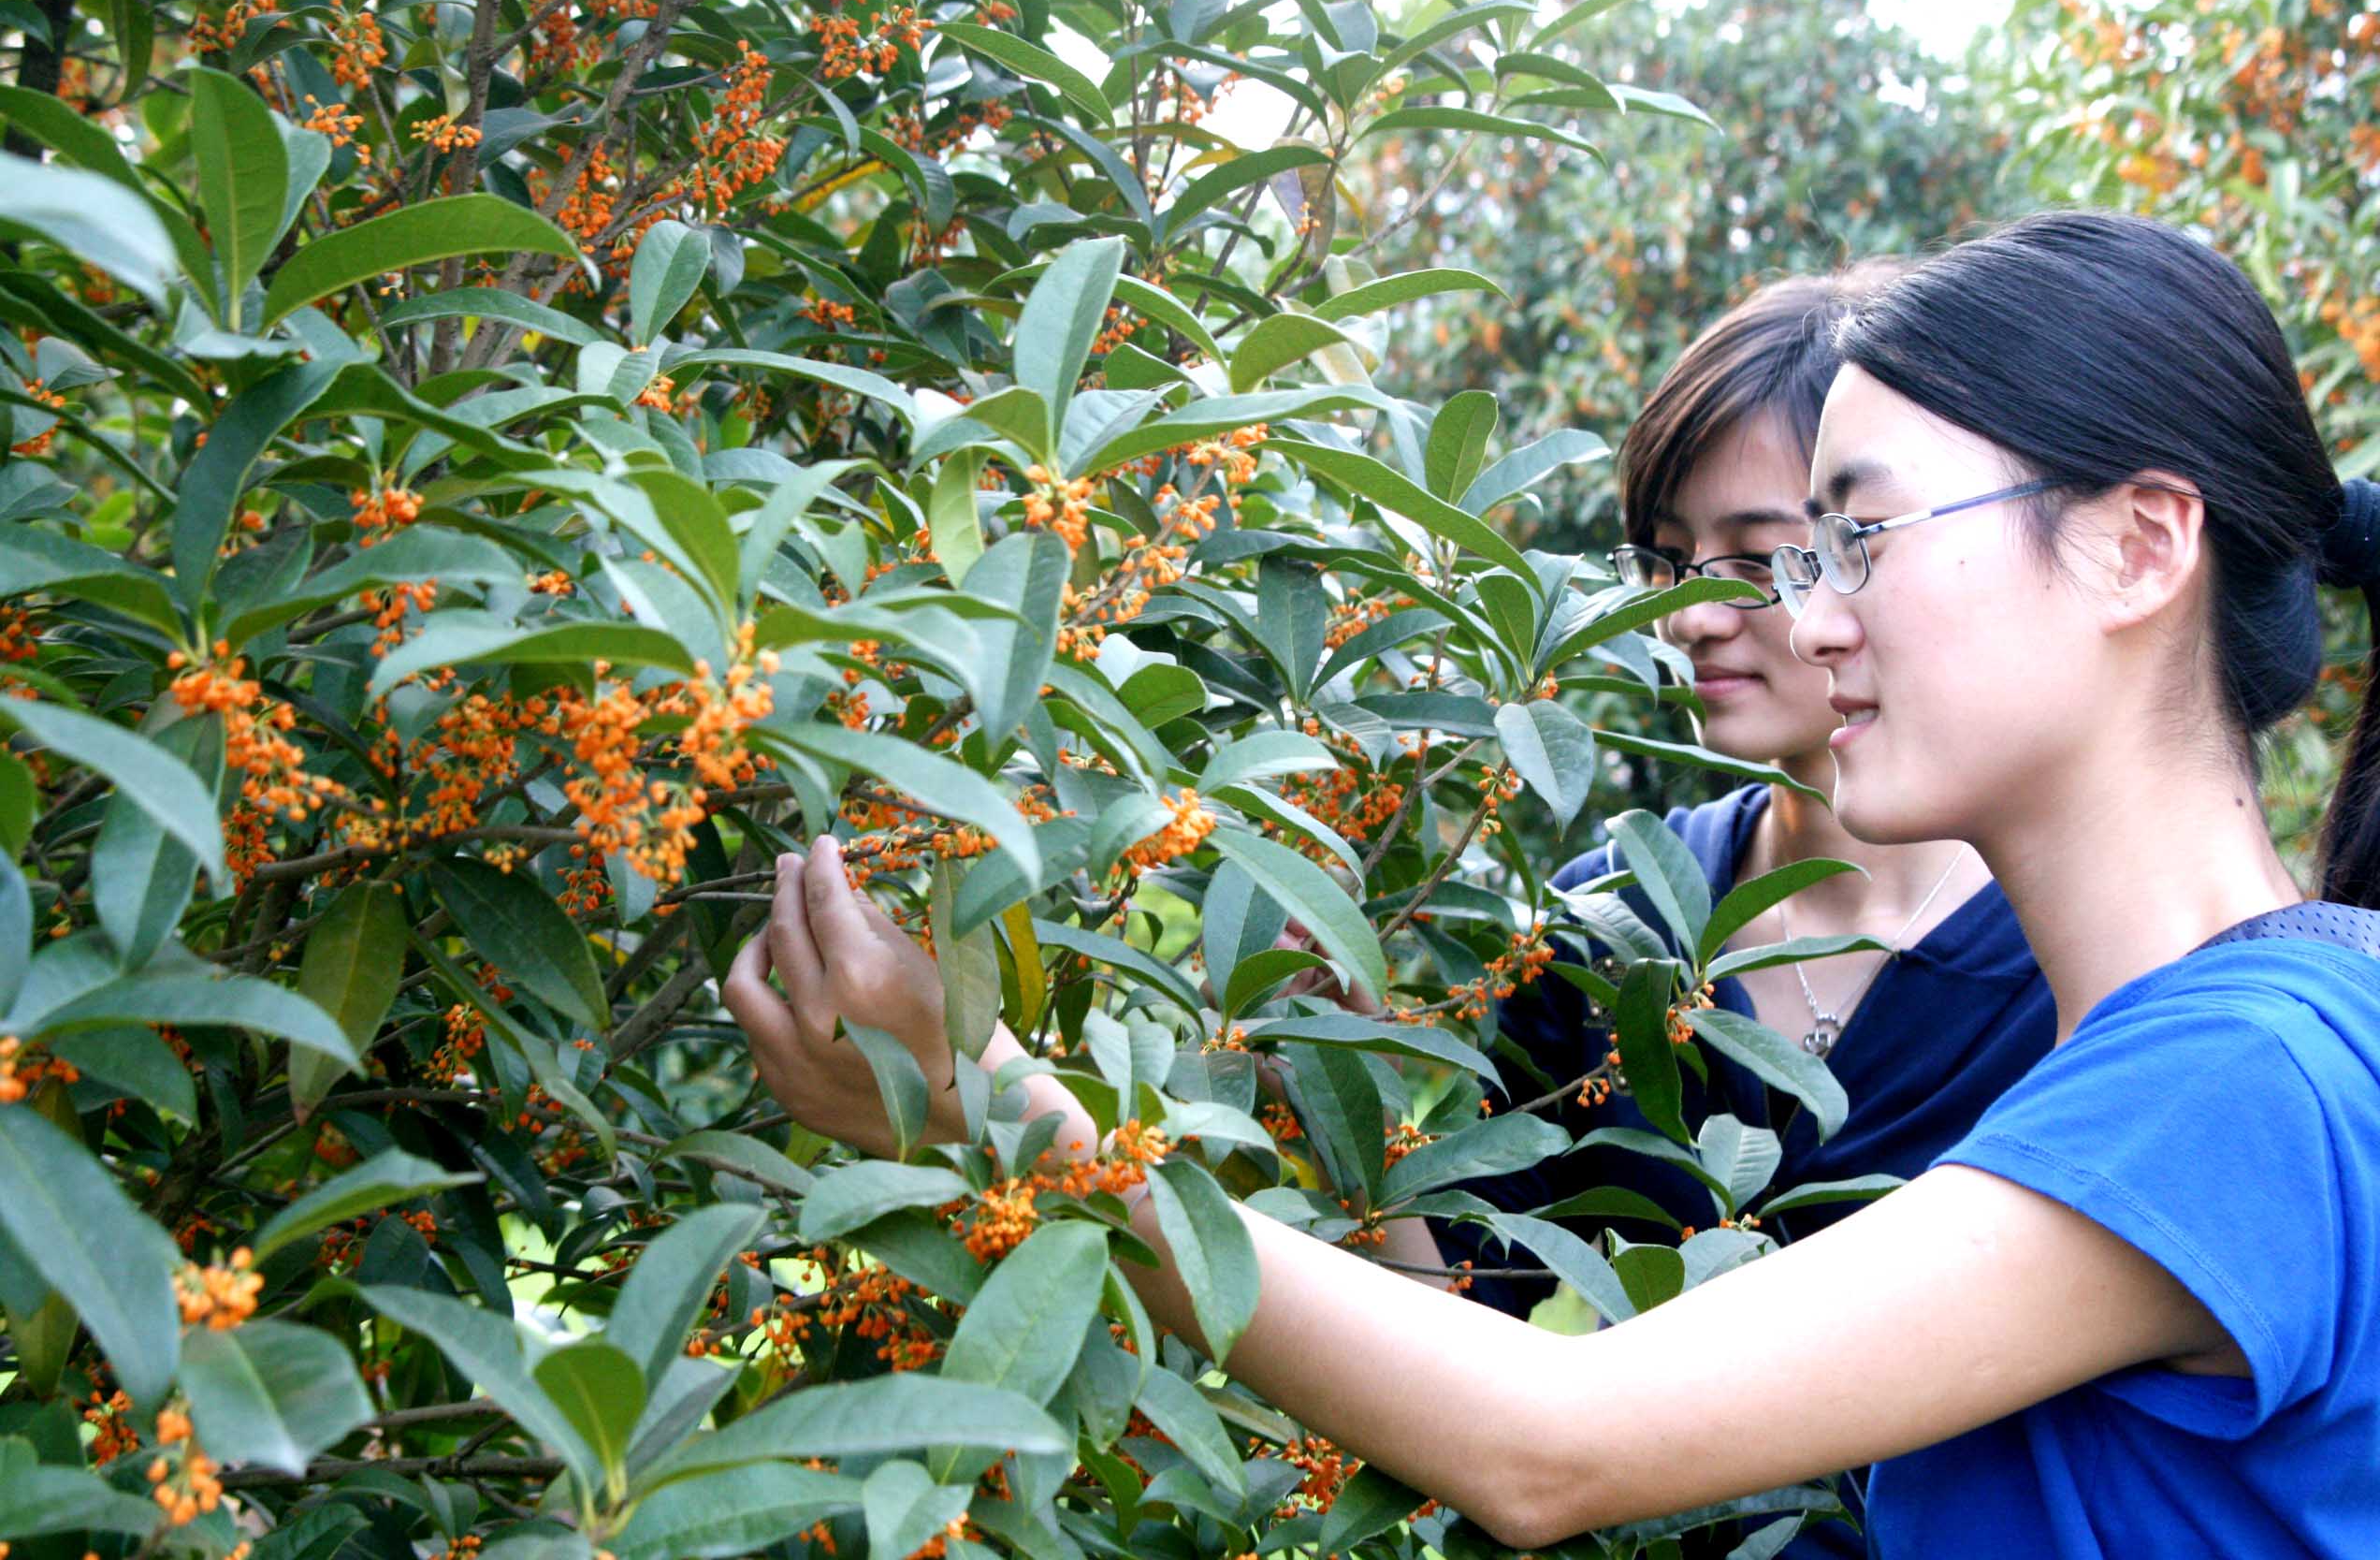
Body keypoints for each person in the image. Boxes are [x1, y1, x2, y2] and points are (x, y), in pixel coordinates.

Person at [726, 211, 2380, 1557]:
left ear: (2141, 545)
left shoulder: (2243, 1079)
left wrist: (988, 1107)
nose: (1805, 619)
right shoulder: (2263, 1029)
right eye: (1791, 559)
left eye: (1857, 541)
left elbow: (1551, 1442)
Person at [1414, 268, 2060, 1557]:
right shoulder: (1607, 928)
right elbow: (1464, 1340)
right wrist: (1336, 1065)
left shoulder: (2075, 959)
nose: (1696, 615)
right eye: (1666, 562)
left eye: (1763, 560)